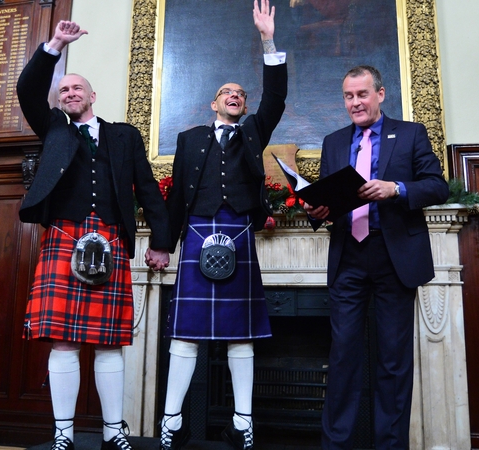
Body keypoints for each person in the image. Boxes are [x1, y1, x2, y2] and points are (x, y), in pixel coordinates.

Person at [16, 20, 171, 450]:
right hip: (65, 236)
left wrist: (161, 243)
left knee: (110, 342)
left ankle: (113, 431)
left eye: (76, 88)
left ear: (92, 95)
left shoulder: (124, 136)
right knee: (64, 341)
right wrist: (55, 45)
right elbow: (28, 90)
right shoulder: (54, 128)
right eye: (63, 90)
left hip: (111, 239)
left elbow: (147, 188)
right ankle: (63, 433)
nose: (69, 94)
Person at [158, 1, 287, 449]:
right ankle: (172, 423)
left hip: (239, 232)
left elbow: (276, 98)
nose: (234, 95)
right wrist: (162, 244)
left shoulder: (253, 132)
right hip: (196, 232)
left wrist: (268, 40)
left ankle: (243, 424)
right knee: (185, 332)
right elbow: (177, 196)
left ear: (244, 106)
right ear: (213, 103)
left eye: (240, 93)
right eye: (226, 92)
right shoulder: (190, 139)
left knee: (241, 334)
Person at [302, 65, 448, 450]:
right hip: (348, 256)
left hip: (393, 255)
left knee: (393, 361)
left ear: (380, 94)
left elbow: (437, 187)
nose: (355, 103)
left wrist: (395, 188)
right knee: (342, 357)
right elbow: (330, 201)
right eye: (348, 96)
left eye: (362, 94)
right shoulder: (334, 141)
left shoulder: (411, 133)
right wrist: (317, 211)